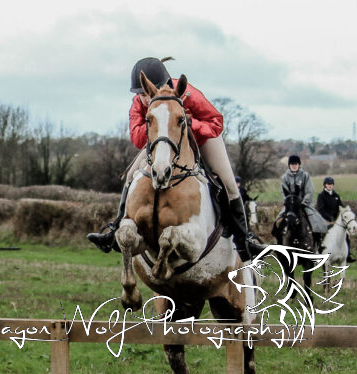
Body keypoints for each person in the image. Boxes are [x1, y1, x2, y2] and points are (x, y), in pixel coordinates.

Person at [86, 57, 263, 260]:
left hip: (202, 137)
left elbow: (216, 122)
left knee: (229, 184)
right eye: (141, 94)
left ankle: (244, 240)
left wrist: (189, 124)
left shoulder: (187, 92)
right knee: (129, 176)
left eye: (146, 93)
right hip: (163, 141)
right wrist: (157, 121)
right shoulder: (138, 103)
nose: (145, 99)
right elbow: (136, 138)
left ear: (165, 84)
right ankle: (114, 229)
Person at [275, 154, 327, 245]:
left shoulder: (305, 176)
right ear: (289, 165)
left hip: (304, 204)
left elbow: (310, 191)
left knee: (317, 221)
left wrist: (304, 202)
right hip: (290, 205)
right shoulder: (284, 177)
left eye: (296, 164)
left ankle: (319, 243)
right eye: (292, 164)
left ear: (299, 165)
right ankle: (279, 244)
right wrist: (289, 202)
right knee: (278, 222)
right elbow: (284, 192)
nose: (294, 166)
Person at [316, 176, 355, 262]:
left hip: (336, 221)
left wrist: (346, 212)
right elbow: (321, 210)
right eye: (328, 184)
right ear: (325, 185)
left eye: (331, 184)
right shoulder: (321, 196)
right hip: (325, 220)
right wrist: (330, 219)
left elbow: (341, 208)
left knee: (346, 235)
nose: (330, 185)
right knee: (322, 233)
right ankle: (319, 252)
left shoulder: (336, 196)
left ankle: (348, 254)